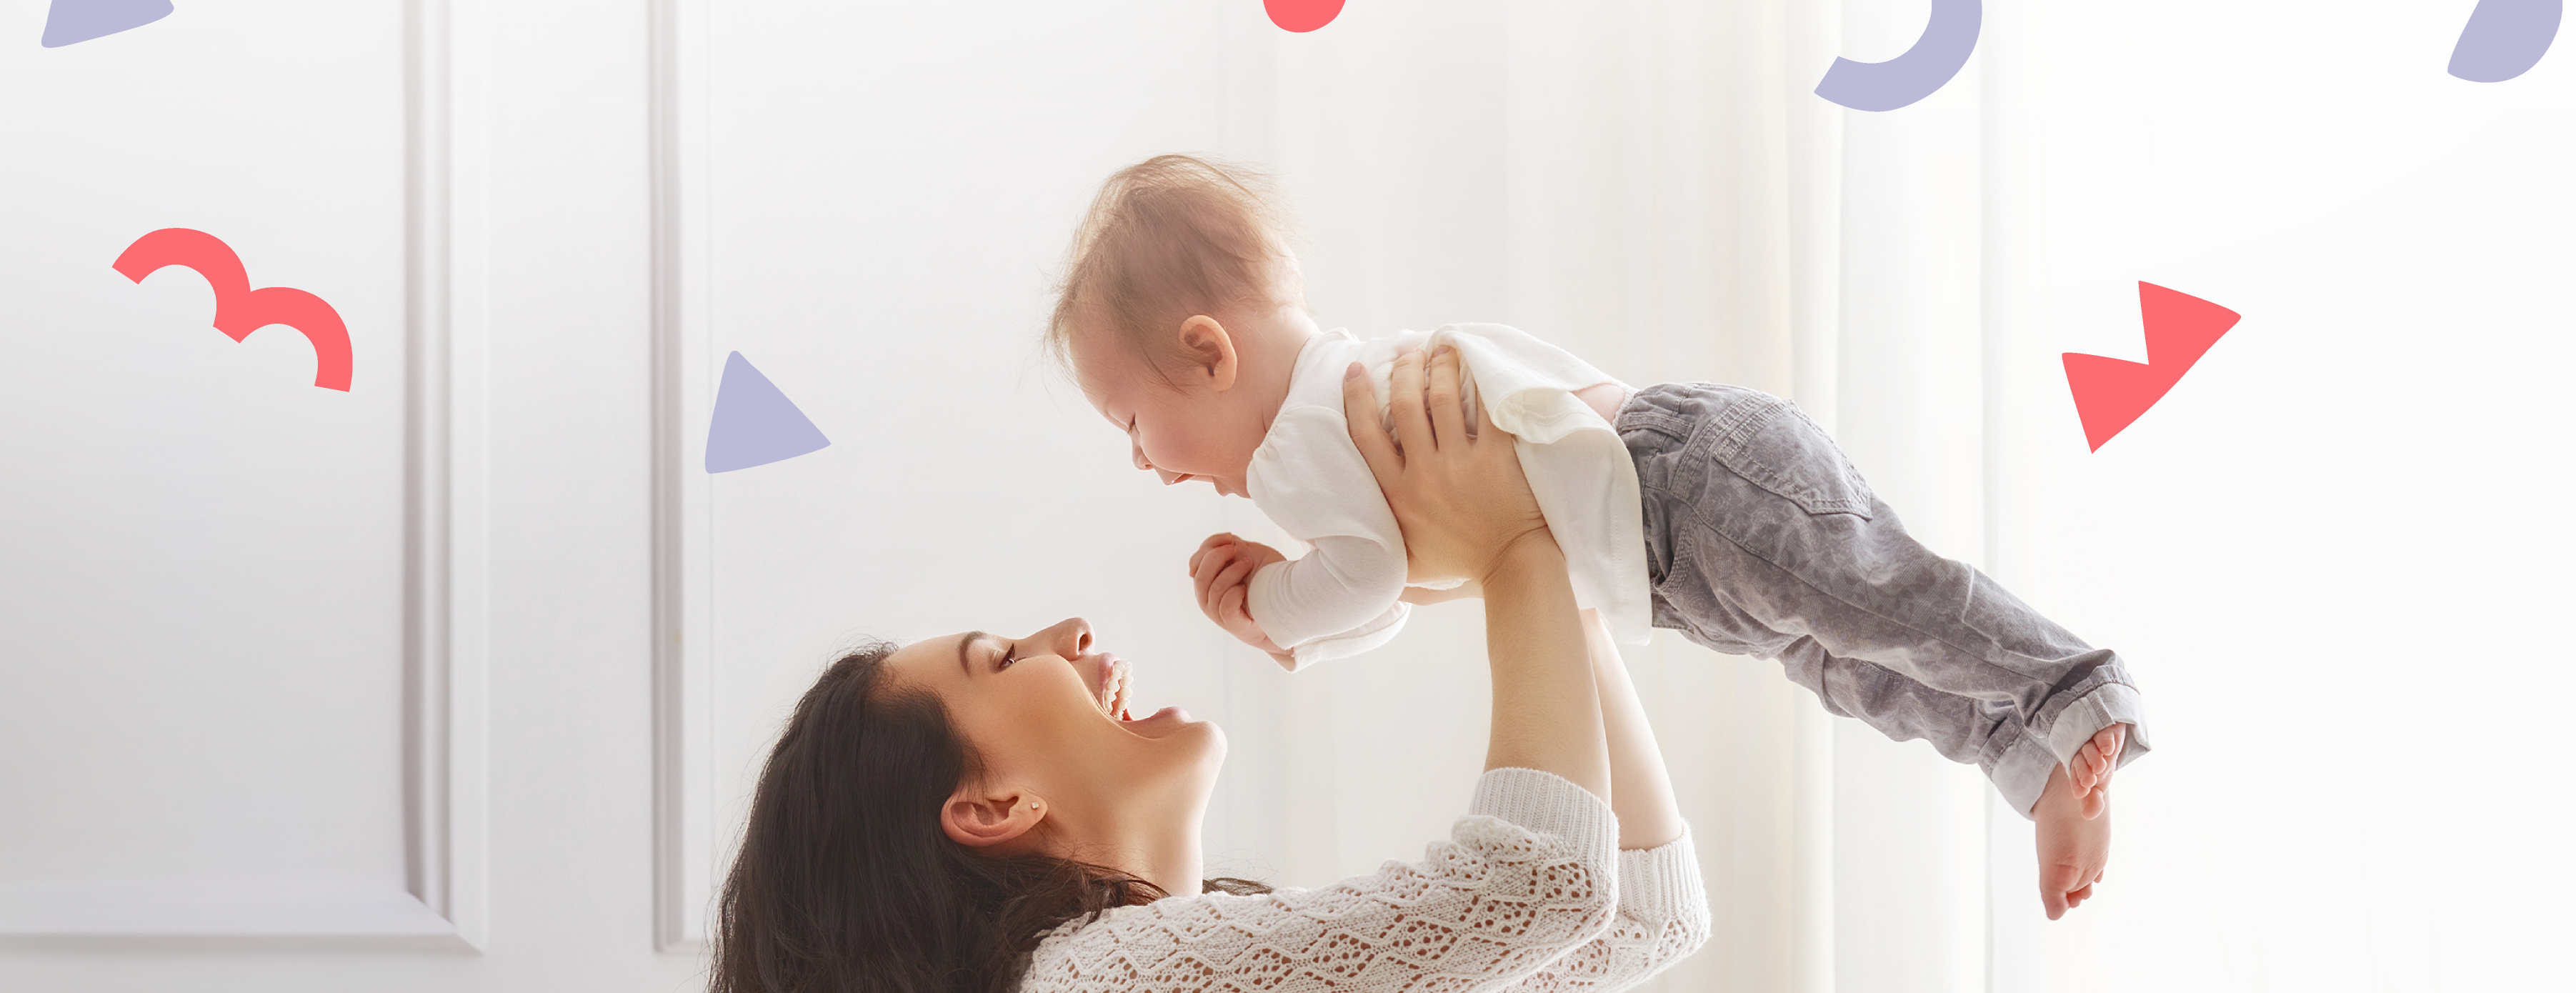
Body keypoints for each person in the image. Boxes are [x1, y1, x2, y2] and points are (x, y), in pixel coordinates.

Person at [1050, 154, 2135, 918]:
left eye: (1132, 423)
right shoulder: (1337, 403)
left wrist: (1273, 604)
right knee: (1853, 661)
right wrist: (1304, 622)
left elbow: (1368, 575)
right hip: (1675, 552)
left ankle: (2072, 688)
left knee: (1882, 605)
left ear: (1206, 352)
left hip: (1686, 488)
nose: (1145, 462)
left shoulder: (1299, 442)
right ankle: (2022, 758)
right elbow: (1399, 585)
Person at [708, 350, 1709, 993]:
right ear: (991, 803)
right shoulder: (1093, 983)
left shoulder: (1148, 968)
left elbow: (1638, 919)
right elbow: (1539, 892)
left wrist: (1540, 575)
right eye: (1004, 659)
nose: (1068, 629)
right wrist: (1510, 540)